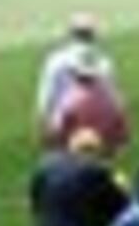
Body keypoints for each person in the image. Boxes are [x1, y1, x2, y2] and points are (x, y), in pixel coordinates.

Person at [33, 13, 126, 152]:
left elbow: (45, 98)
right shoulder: (103, 61)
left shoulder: (55, 60)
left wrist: (43, 127)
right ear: (93, 35)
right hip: (97, 128)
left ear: (71, 34)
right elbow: (115, 99)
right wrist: (120, 130)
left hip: (64, 125)